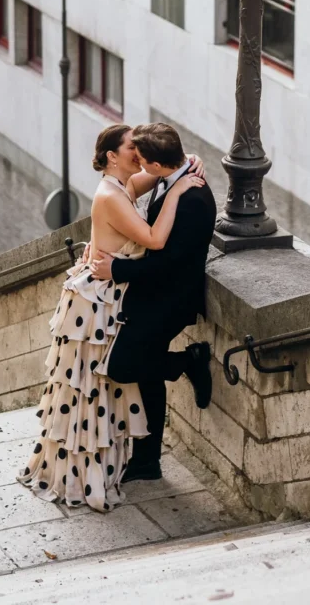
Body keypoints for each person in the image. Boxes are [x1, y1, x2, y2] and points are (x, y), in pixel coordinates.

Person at [18, 123, 206, 512]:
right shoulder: (110, 194)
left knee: (105, 378)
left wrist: (188, 165)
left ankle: (129, 459)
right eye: (129, 148)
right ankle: (85, 466)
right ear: (112, 157)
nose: (136, 153)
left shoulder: (123, 184)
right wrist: (182, 186)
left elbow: (157, 176)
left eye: (140, 150)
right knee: (91, 381)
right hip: (96, 301)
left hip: (111, 294)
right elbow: (154, 238)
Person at [90, 122, 217, 483]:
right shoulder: (172, 174)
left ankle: (186, 360)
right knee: (145, 374)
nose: (137, 162)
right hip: (153, 292)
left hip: (170, 299)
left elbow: (169, 263)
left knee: (124, 367)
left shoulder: (192, 197)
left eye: (141, 159)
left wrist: (116, 268)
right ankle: (147, 461)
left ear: (159, 165)